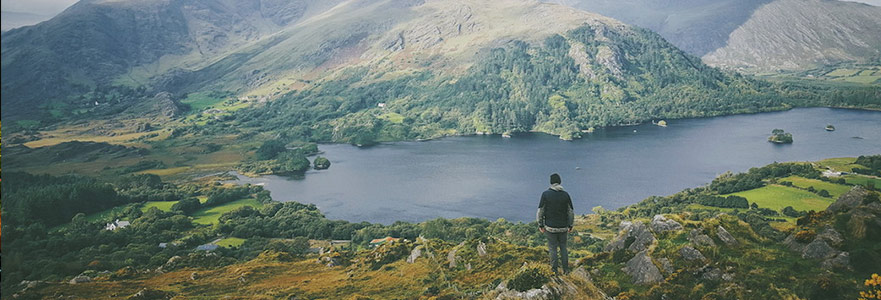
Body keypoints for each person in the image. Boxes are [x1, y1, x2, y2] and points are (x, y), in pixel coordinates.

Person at [536, 173, 574, 275]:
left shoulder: (545, 194)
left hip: (550, 227)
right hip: (563, 227)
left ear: (551, 182)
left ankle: (554, 271)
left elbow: (540, 211)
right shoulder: (566, 195)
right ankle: (566, 271)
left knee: (552, 248)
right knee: (563, 248)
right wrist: (570, 225)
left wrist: (540, 225)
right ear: (560, 182)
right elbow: (570, 211)